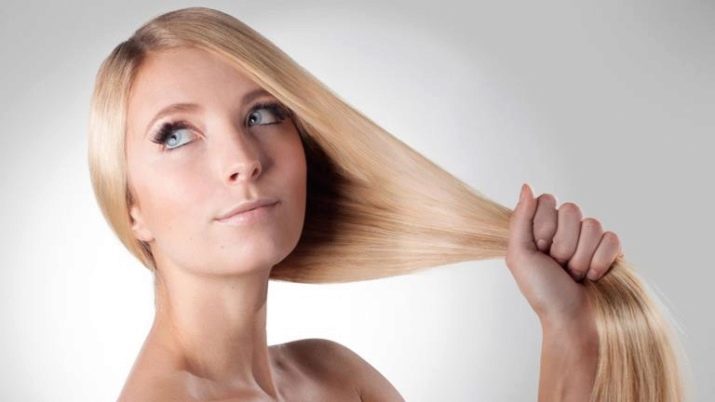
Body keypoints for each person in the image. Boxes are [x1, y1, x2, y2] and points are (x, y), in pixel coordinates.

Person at [88, 7, 688, 402]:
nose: (242, 159)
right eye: (175, 135)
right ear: (131, 205)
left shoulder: (331, 374)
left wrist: (569, 327)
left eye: (262, 114)